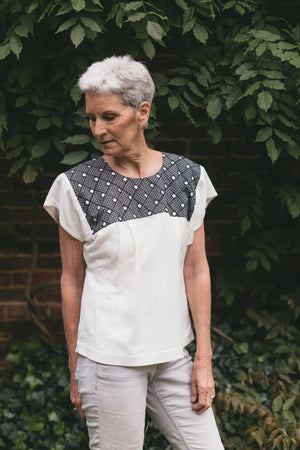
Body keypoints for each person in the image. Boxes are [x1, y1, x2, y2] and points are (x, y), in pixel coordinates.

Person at [44, 55, 224, 450]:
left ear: (142, 112)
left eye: (109, 116)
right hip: (108, 362)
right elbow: (72, 280)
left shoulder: (188, 178)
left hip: (173, 357)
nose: (98, 129)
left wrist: (203, 358)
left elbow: (196, 270)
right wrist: (76, 363)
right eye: (92, 118)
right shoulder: (76, 187)